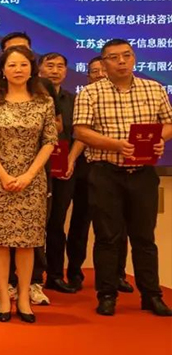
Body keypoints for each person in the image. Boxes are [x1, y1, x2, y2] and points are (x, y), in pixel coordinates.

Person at [73, 39, 172, 317]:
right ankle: (107, 295)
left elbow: (168, 122)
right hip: (106, 173)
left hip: (143, 174)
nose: (121, 61)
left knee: (144, 237)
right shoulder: (90, 93)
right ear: (103, 63)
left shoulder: (154, 88)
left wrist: (160, 139)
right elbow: (81, 131)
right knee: (107, 237)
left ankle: (151, 295)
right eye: (114, 57)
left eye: (126, 55)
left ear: (134, 58)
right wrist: (116, 145)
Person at [0, 46, 57, 323]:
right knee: (0, 241)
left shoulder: (44, 102)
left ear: (32, 69)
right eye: (12, 65)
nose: (18, 70)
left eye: (23, 64)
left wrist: (28, 175)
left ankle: (23, 297)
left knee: (27, 242)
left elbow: (49, 141)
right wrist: (3, 175)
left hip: (32, 181)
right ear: (3, 70)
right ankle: (2, 296)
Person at [66, 56, 131, 292]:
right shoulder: (84, 98)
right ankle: (75, 272)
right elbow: (83, 133)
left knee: (118, 225)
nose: (100, 75)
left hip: (119, 168)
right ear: (88, 76)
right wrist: (71, 159)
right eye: (95, 71)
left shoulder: (124, 99)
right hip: (87, 168)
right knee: (80, 222)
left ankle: (118, 274)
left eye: (104, 70)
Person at [38, 52, 79, 294]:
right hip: (35, 171)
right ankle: (30, 276)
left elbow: (80, 134)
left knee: (56, 224)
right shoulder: (30, 98)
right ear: (39, 69)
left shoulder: (73, 100)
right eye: (50, 65)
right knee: (33, 224)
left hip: (64, 170)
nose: (55, 70)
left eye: (60, 66)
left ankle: (54, 274)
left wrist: (71, 159)